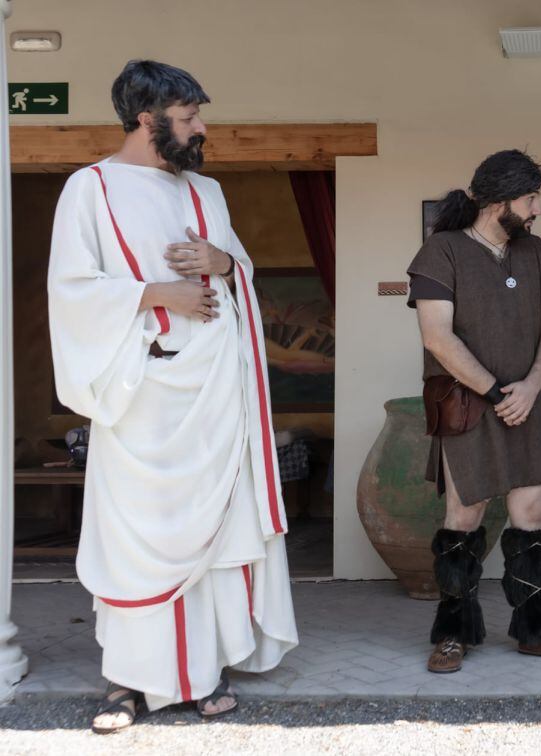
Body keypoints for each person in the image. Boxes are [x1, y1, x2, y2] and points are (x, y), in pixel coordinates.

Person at [47, 60, 298, 733]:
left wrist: (221, 265)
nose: (201, 128)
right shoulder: (89, 189)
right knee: (136, 539)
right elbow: (69, 291)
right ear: (145, 117)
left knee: (211, 532)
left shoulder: (205, 193)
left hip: (212, 395)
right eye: (188, 118)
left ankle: (203, 672)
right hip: (139, 399)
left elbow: (240, 271)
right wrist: (159, 294)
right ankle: (126, 685)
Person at [406, 149, 541, 673]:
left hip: (525, 400)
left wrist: (531, 385)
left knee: (532, 513)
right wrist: (495, 392)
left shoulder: (536, 252)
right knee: (462, 516)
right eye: (531, 199)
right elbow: (436, 337)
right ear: (501, 199)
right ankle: (453, 634)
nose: (536, 210)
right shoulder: (441, 251)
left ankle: (539, 630)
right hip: (467, 402)